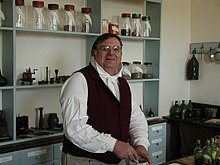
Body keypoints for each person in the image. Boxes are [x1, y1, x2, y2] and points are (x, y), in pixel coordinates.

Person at [60, 33, 152, 165]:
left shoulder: (123, 83)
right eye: (105, 48)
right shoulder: (79, 80)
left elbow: (135, 118)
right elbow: (75, 128)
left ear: (121, 54)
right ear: (94, 52)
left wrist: (140, 145)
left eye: (116, 49)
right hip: (85, 160)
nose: (111, 53)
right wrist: (114, 145)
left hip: (117, 160)